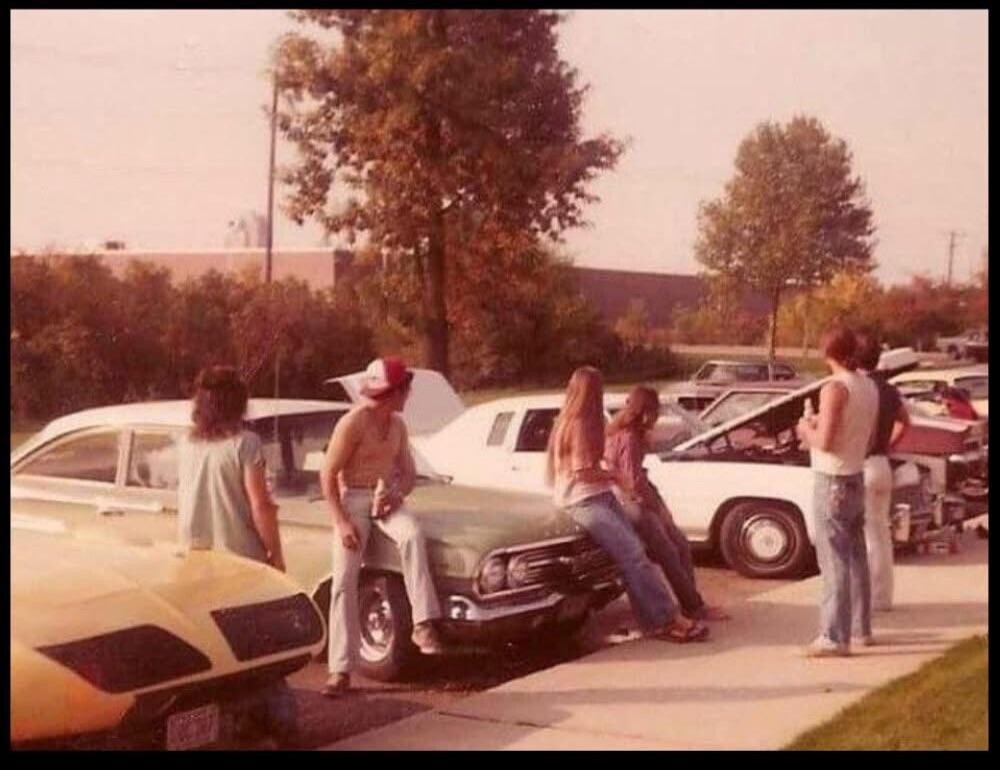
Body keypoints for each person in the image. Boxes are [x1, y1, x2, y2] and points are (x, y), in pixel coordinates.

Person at [545, 366, 708, 643]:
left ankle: (655, 618)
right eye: (599, 389)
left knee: (635, 556)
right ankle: (666, 619)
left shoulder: (581, 422)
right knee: (633, 554)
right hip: (583, 500)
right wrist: (615, 476)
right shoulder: (579, 424)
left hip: (599, 495)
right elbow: (582, 471)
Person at [176, 365, 294, 743]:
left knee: (214, 651)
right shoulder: (246, 443)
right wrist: (275, 555)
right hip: (239, 558)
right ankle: (273, 730)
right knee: (261, 655)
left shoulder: (188, 444)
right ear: (238, 402)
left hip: (194, 557)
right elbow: (260, 505)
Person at [320, 356, 444, 697]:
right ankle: (339, 670)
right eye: (405, 388)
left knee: (413, 534)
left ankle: (423, 624)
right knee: (344, 580)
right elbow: (327, 475)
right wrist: (342, 522)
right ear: (393, 391)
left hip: (385, 498)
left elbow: (408, 474)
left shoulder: (399, 426)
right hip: (352, 500)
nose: (408, 395)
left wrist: (395, 495)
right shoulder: (353, 422)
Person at [605, 386, 729, 622]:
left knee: (680, 545)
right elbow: (633, 481)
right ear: (646, 412)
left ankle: (692, 602)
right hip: (634, 502)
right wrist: (658, 509)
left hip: (633, 498)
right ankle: (692, 606)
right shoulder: (628, 437)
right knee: (670, 552)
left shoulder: (619, 432)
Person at [796, 328, 879, 657]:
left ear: (826, 351)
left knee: (833, 560)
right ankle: (861, 629)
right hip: (856, 474)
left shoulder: (834, 388)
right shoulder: (868, 385)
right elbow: (867, 438)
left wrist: (806, 428)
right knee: (856, 556)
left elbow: (826, 441)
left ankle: (834, 636)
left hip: (832, 479)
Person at [856, 334, 910, 612]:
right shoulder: (889, 389)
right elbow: (905, 421)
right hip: (882, 464)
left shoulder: (859, 388)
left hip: (863, 464)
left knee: (864, 535)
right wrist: (888, 444)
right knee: (881, 532)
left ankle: (866, 597)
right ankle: (882, 597)